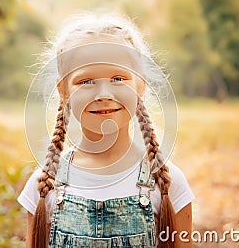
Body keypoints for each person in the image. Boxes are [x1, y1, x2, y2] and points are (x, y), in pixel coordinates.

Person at [18, 12, 194, 248]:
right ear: (64, 91)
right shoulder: (45, 186)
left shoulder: (168, 185)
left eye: (118, 78)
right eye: (86, 81)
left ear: (140, 85)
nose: (103, 94)